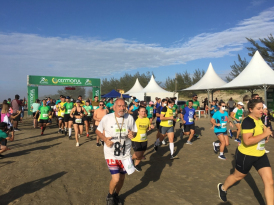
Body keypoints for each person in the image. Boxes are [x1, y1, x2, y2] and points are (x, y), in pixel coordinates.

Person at [217, 99, 274, 203]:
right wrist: (264, 134)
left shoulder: (259, 119)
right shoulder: (248, 121)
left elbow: (260, 131)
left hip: (260, 154)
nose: (262, 110)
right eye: (259, 108)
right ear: (251, 109)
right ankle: (223, 188)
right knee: (237, 177)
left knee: (269, 182)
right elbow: (247, 141)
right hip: (246, 155)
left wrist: (266, 134)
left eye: (262, 108)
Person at [95, 98, 137, 205]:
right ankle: (109, 196)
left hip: (125, 154)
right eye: (119, 106)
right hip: (111, 153)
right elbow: (98, 131)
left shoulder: (129, 118)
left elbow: (134, 132)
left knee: (122, 178)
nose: (122, 108)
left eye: (124, 106)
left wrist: (133, 134)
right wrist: (105, 140)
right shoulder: (107, 118)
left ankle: (116, 195)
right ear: (114, 107)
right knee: (116, 178)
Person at [132, 106, 154, 171]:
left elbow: (148, 128)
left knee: (141, 154)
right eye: (142, 111)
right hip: (136, 139)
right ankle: (131, 159)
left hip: (144, 139)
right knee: (138, 154)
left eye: (144, 111)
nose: (143, 112)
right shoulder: (135, 119)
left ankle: (136, 165)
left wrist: (151, 127)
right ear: (138, 112)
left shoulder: (147, 119)